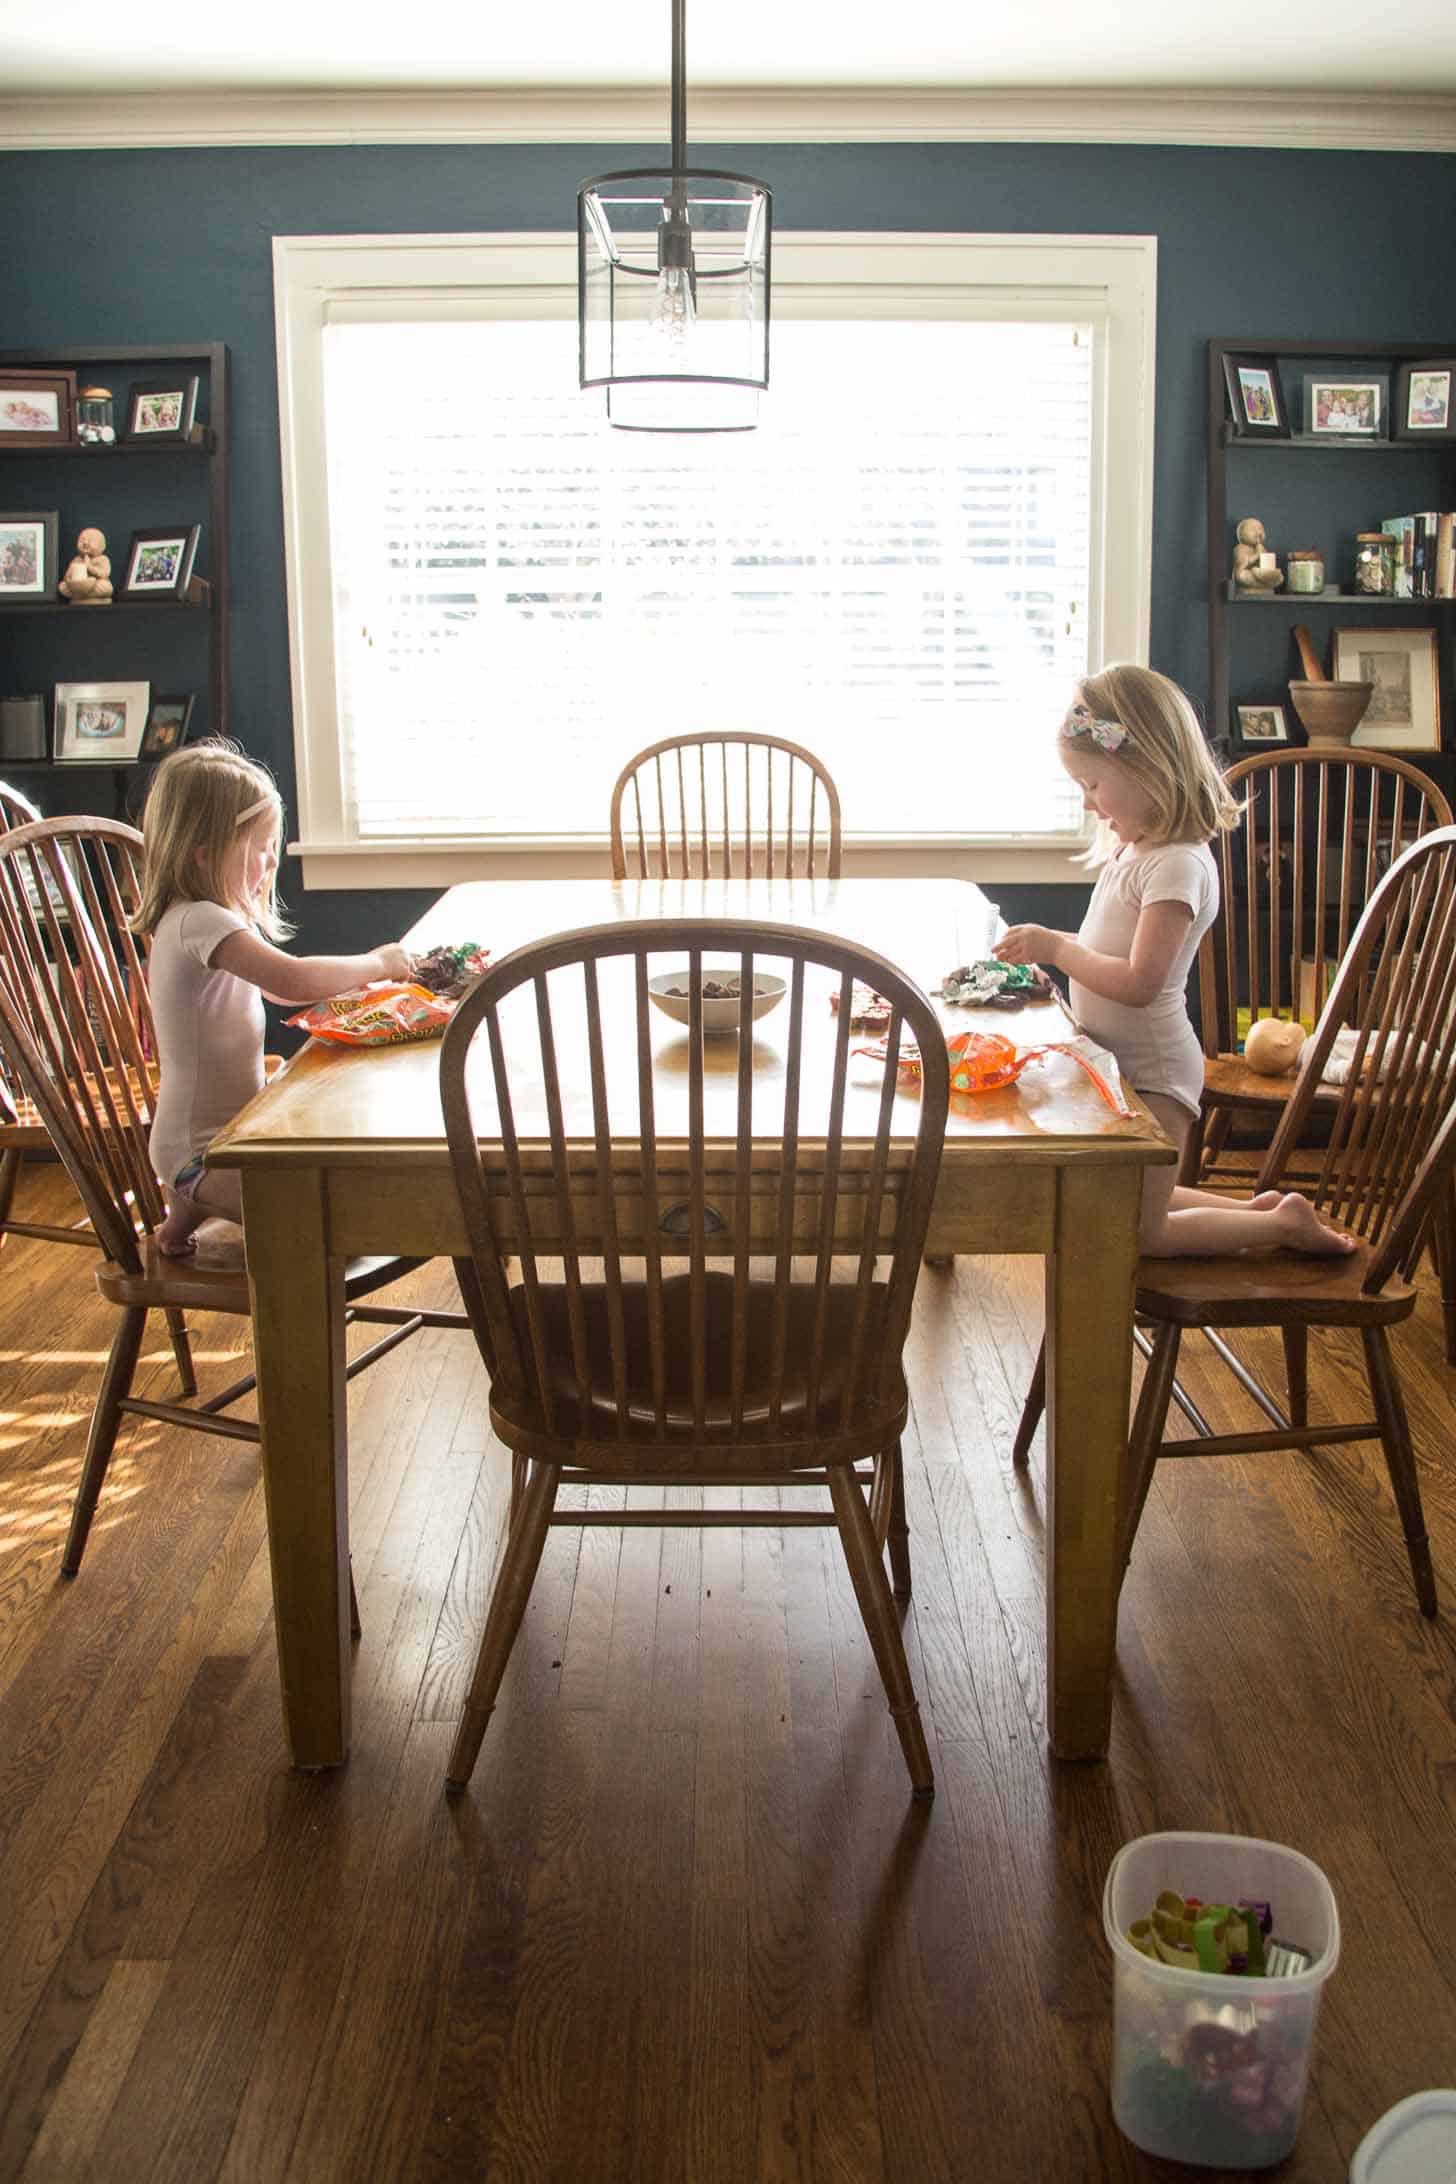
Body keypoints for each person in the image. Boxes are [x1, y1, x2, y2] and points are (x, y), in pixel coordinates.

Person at [992, 665, 1354, 1258]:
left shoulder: (1177, 866)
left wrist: (1058, 950)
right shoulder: (1138, 852)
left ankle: (1280, 1228)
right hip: (1122, 1064)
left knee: (1145, 1230)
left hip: (1157, 1073)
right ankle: (1266, 1210)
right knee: (1140, 1200)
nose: (1088, 803)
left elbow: (1139, 982)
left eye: (1093, 785)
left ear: (1147, 769)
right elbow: (1106, 951)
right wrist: (1046, 954)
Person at [133, 740, 413, 1265]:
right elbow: (291, 978)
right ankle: (214, 1218)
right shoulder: (201, 921)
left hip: (218, 1133)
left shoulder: (195, 918)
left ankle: (178, 1223)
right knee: (331, 1215)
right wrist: (378, 962)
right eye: (259, 848)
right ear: (204, 852)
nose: (269, 862)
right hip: (203, 1151)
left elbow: (280, 989)